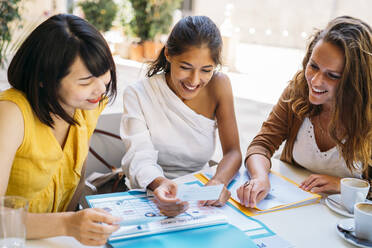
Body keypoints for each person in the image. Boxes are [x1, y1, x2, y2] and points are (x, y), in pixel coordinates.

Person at [0, 14, 121, 246]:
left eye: (104, 72)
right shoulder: (11, 113)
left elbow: (75, 177)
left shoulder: (88, 104)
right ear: (45, 79)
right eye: (85, 81)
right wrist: (67, 224)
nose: (100, 88)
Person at [237, 16, 372, 208]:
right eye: (313, 66)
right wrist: (259, 178)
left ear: (355, 82)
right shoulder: (297, 91)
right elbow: (262, 144)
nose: (315, 81)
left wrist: (342, 185)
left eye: (332, 76)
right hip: (292, 205)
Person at [120, 16, 242, 216]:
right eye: (185, 67)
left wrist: (218, 181)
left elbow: (233, 152)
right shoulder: (138, 93)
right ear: (168, 54)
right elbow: (139, 156)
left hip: (201, 192)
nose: (194, 81)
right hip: (150, 191)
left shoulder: (219, 85)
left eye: (206, 70)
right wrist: (160, 185)